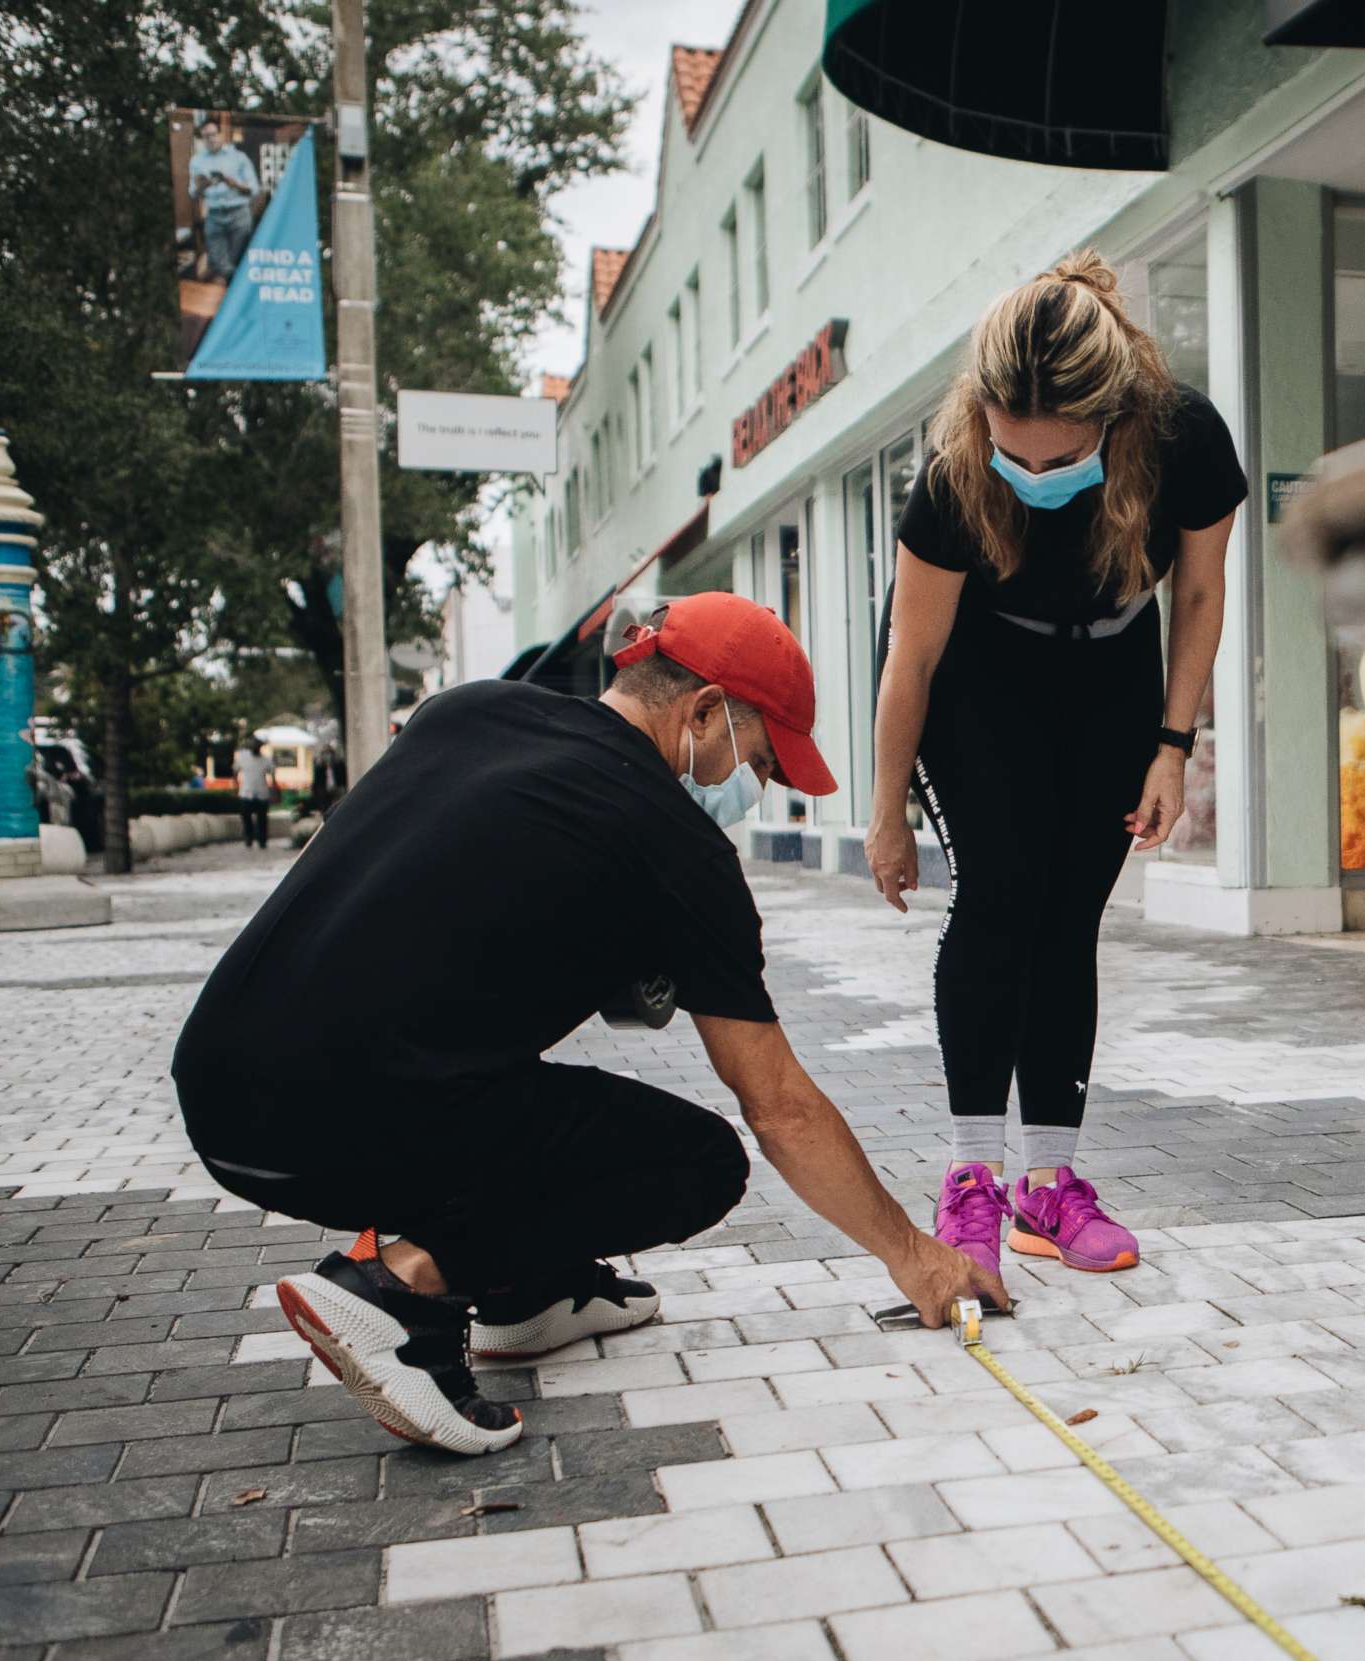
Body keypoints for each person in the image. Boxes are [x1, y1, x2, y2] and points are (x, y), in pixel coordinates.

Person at [172, 593, 1004, 1454]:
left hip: (221, 1090)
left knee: (505, 1082)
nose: (754, 788)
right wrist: (913, 1253)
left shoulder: (472, 710)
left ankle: (522, 1294)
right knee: (698, 1160)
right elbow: (779, 1107)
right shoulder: (678, 847)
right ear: (707, 710)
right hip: (340, 1120)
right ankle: (396, 1292)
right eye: (759, 759)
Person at [870, 250, 1245, 1277]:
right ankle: (971, 1182)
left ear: (1114, 415)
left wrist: (1174, 748)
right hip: (977, 681)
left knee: (1068, 919)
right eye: (1014, 453)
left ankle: (1049, 1187)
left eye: (1057, 457)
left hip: (1110, 679)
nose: (1033, 478)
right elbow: (913, 651)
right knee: (1001, 901)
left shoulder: (1182, 438)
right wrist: (887, 806)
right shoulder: (953, 472)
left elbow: (1202, 600)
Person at [187, 118, 259, 283]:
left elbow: (253, 189)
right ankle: (235, 287)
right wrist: (202, 186)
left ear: (220, 134)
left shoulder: (239, 158)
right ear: (202, 139)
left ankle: (233, 292)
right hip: (214, 215)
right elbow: (193, 193)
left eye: (213, 134)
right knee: (218, 260)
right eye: (206, 136)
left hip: (239, 214)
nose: (210, 139)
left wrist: (233, 183)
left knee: (239, 257)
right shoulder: (197, 161)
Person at [232, 735, 273, 848]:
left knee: (262, 819)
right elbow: (235, 772)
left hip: (261, 792)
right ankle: (249, 837)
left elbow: (272, 774)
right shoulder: (242, 758)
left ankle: (262, 840)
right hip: (246, 792)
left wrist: (274, 789)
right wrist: (235, 787)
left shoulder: (266, 760)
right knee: (246, 817)